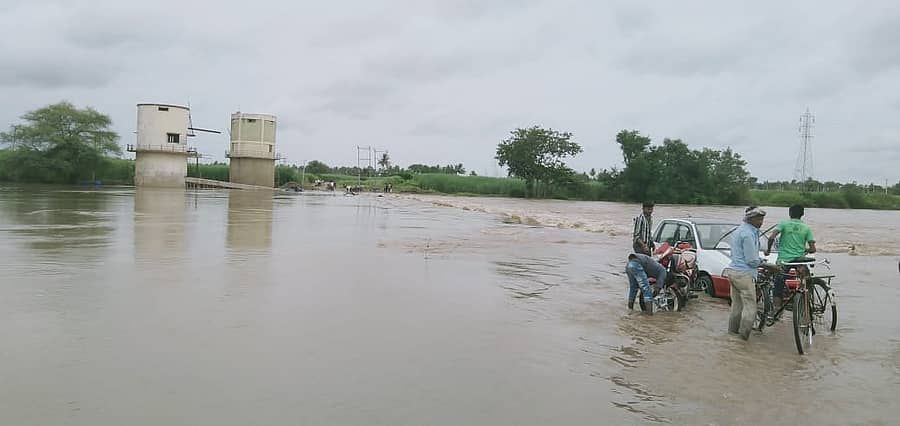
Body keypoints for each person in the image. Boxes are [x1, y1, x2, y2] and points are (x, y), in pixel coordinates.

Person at [723, 206, 776, 340]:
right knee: (750, 308)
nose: (761, 222)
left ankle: (732, 334)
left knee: (737, 306)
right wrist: (769, 265)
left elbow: (736, 253)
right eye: (759, 219)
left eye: (762, 219)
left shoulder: (739, 231)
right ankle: (743, 338)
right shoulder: (748, 234)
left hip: (733, 271)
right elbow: (752, 260)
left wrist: (759, 260)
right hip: (744, 274)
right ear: (750, 219)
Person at [765, 204, 816, 309]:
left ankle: (776, 310)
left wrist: (768, 250)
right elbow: (813, 249)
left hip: (784, 260)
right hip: (799, 260)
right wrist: (803, 250)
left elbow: (771, 238)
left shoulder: (783, 224)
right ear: (802, 214)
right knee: (806, 281)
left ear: (789, 213)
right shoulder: (807, 228)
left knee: (778, 285)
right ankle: (806, 304)